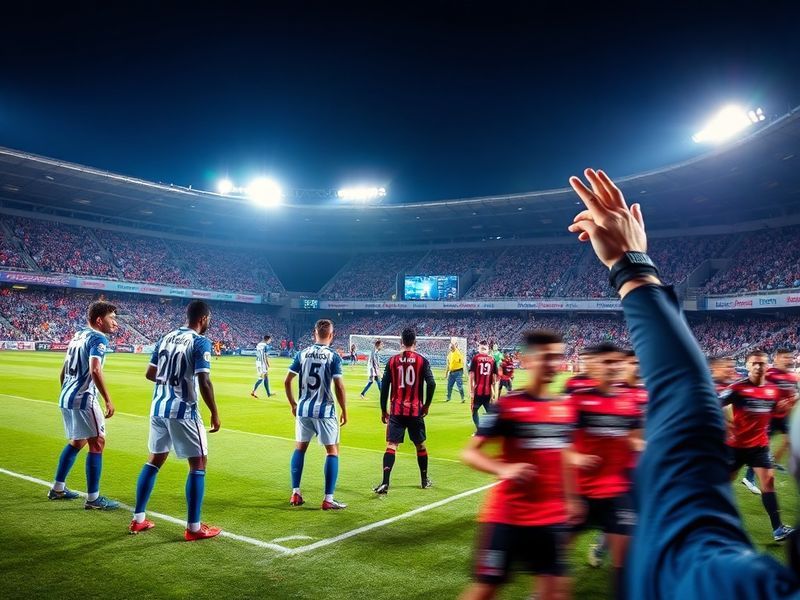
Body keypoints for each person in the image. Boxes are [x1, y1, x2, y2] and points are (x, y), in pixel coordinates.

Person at [566, 167, 799, 596]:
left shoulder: (734, 584)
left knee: (673, 508)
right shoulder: (583, 390)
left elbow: (690, 415)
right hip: (628, 475)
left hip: (679, 470)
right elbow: (700, 408)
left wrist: (630, 266)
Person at [460, 331, 578, 600]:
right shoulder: (510, 406)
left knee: (557, 592)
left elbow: (565, 456)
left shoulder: (564, 408)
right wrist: (504, 469)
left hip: (550, 518)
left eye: (557, 357)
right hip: (508, 516)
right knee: (485, 589)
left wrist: (572, 499)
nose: (552, 364)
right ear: (528, 360)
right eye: (546, 357)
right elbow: (471, 453)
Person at [129, 300, 222, 540]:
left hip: (159, 408)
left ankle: (138, 519)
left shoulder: (165, 338)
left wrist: (169, 380)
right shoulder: (200, 342)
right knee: (198, 464)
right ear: (203, 319)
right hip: (184, 411)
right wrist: (214, 411)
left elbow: (150, 373)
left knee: (154, 460)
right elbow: (204, 381)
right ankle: (193, 528)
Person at [567, 342, 643, 594]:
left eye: (617, 362)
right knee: (555, 557)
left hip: (617, 493)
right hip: (581, 492)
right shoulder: (579, 400)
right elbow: (559, 444)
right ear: (594, 365)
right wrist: (575, 459)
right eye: (607, 362)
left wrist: (653, 447)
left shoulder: (629, 404)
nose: (614, 367)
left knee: (624, 564)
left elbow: (634, 439)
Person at [48, 300, 119, 510]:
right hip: (83, 398)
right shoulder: (98, 338)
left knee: (77, 441)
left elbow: (63, 370)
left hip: (67, 397)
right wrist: (107, 398)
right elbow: (95, 369)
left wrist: (67, 392)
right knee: (97, 442)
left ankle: (58, 488)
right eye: (112, 318)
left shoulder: (78, 335)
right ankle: (93, 499)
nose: (115, 323)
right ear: (99, 320)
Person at [720, 349, 795, 541]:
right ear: (747, 366)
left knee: (768, 481)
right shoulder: (737, 389)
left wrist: (783, 408)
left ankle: (778, 529)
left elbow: (774, 410)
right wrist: (725, 424)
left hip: (759, 447)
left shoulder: (772, 390)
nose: (758, 366)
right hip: (735, 447)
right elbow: (715, 404)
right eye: (754, 363)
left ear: (767, 366)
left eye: (761, 363)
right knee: (722, 484)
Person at [285, 319, 347, 510]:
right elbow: (339, 385)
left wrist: (293, 404)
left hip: (303, 410)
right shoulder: (333, 356)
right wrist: (344, 409)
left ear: (314, 333)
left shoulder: (301, 354)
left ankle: (296, 493)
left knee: (300, 449)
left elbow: (287, 381)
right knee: (332, 451)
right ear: (331, 335)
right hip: (325, 411)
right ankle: (328, 499)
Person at [374, 327, 436, 494]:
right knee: (420, 445)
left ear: (401, 342)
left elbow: (384, 388)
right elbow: (431, 384)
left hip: (396, 410)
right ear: (414, 343)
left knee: (391, 445)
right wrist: (427, 404)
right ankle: (424, 480)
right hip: (415, 411)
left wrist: (383, 409)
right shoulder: (422, 361)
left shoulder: (392, 361)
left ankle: (385, 483)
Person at [744, 348, 798, 488]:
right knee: (762, 447)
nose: (789, 360)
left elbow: (791, 396)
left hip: (782, 416)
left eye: (790, 358)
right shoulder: (770, 373)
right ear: (776, 359)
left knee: (790, 440)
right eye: (785, 357)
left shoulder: (791, 377)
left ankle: (774, 462)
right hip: (768, 416)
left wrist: (791, 401)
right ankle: (749, 477)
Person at [469, 341, 498, 430]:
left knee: (474, 411)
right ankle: (491, 431)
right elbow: (494, 379)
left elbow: (471, 376)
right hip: (488, 392)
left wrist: (471, 391)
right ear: (487, 349)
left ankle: (479, 430)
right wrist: (494, 393)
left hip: (478, 391)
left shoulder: (475, 358)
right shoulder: (492, 360)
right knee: (490, 412)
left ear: (479, 348)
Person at [251, 334, 273, 399]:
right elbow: (265, 356)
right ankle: (253, 391)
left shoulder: (258, 344)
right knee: (261, 378)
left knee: (266, 377)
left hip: (258, 362)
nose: (270, 341)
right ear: (267, 339)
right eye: (270, 340)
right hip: (262, 363)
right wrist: (267, 364)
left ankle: (268, 393)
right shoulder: (266, 346)